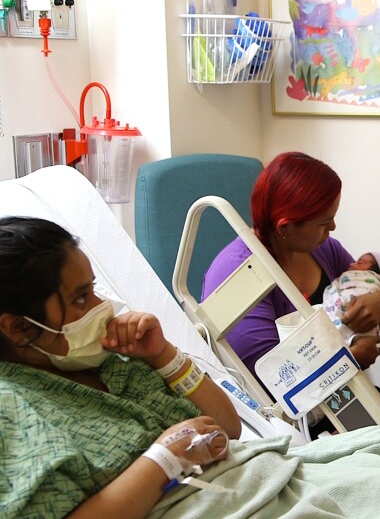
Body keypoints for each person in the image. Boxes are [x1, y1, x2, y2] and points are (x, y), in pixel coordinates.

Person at [0, 216, 241, 518]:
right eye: (81, 298)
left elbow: (230, 427)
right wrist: (164, 461)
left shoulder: (112, 361)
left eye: (93, 289)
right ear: (18, 328)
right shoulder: (11, 410)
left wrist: (164, 356)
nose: (101, 306)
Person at [202, 152, 380, 377]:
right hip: (286, 408)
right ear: (284, 227)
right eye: (324, 222)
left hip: (342, 395)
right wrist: (351, 360)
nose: (333, 227)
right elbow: (270, 378)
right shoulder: (236, 274)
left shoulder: (324, 249)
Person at [322, 251, 380, 347]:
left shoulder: (376, 279)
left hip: (360, 324)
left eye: (359, 263)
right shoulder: (344, 276)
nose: (351, 264)